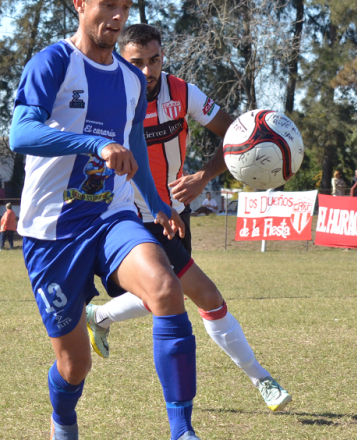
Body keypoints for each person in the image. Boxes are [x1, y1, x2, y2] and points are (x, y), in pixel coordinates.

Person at [9, 4, 199, 439]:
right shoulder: (53, 62)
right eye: (106, 4)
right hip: (52, 232)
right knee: (76, 365)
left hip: (112, 216)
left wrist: (159, 204)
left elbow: (133, 152)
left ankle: (181, 431)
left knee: (166, 289)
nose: (116, 15)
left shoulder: (132, 79)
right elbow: (20, 135)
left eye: (124, 6)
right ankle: (63, 422)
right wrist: (94, 144)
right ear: (79, 3)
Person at [85, 23, 291, 415]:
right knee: (204, 295)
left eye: (154, 60)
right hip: (129, 217)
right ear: (120, 59)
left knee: (162, 294)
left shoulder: (182, 93)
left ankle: (100, 315)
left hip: (174, 213)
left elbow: (235, 135)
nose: (147, 71)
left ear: (163, 56)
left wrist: (203, 177)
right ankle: (261, 378)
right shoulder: (109, 97)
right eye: (137, 62)